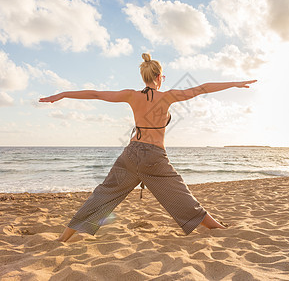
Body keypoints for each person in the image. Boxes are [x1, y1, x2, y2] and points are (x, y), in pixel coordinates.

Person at [39, 53, 257, 242]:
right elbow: (202, 88)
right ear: (159, 77)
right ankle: (217, 227)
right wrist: (234, 83)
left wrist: (62, 94)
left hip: (130, 153)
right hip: (153, 155)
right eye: (162, 77)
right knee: (180, 195)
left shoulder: (131, 95)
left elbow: (96, 94)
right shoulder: (167, 97)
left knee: (103, 195)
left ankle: (64, 237)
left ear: (143, 77)